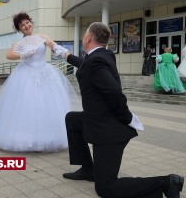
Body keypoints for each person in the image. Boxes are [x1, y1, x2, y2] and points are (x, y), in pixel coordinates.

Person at [62, 22, 184, 198]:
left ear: (88, 38)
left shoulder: (96, 61)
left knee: (105, 188)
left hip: (109, 130)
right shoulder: (103, 55)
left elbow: (113, 92)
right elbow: (85, 64)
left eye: (84, 35)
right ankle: (89, 169)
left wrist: (127, 118)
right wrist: (65, 54)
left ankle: (166, 182)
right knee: (72, 119)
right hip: (98, 120)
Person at [0, 11, 82, 152]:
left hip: (45, 72)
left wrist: (66, 54)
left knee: (47, 105)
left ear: (31, 23)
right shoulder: (18, 42)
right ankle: (26, 138)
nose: (26, 26)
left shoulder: (42, 37)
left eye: (27, 22)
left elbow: (54, 47)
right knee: (27, 105)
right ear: (19, 29)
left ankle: (47, 137)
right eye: (22, 25)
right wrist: (23, 54)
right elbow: (9, 55)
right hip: (25, 74)